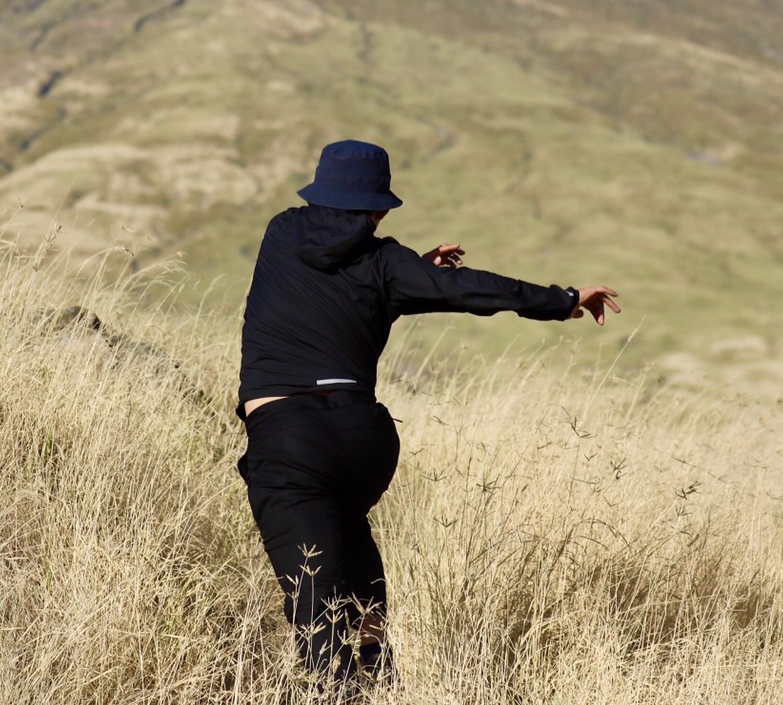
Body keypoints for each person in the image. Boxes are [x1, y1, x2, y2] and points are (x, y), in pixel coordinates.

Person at [235, 139, 620, 688]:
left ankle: (340, 690)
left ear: (319, 191)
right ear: (379, 208)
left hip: (289, 437)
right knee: (349, 537)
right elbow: (466, 290)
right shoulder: (389, 263)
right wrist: (564, 298)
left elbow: (341, 278)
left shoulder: (281, 232)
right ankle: (378, 673)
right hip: (364, 437)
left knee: (314, 610)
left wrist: (409, 272)